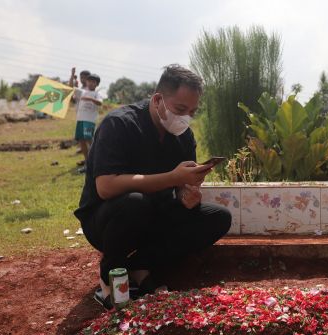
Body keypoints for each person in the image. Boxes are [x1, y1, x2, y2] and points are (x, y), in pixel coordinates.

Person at [74, 64, 231, 310]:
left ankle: (141, 265)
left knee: (218, 218)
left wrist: (186, 192)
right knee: (135, 202)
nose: (185, 118)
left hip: (154, 215)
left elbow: (178, 186)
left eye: (192, 111)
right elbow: (106, 187)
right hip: (108, 220)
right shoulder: (119, 124)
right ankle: (109, 277)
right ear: (158, 99)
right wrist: (172, 177)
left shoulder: (183, 136)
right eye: (180, 109)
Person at [69, 69, 102, 172]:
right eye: (89, 81)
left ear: (96, 84)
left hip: (89, 121)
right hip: (80, 120)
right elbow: (70, 88)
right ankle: (88, 163)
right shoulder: (82, 92)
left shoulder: (97, 94)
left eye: (93, 82)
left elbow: (100, 103)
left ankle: (96, 162)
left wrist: (90, 99)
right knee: (81, 140)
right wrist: (72, 75)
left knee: (89, 140)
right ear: (86, 82)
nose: (91, 83)